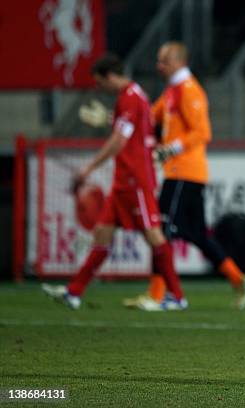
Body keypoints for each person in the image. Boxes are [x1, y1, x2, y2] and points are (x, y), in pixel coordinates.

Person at [42, 54, 187, 311]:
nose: (99, 88)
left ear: (110, 77)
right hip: (124, 180)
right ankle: (74, 292)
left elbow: (120, 140)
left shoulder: (130, 98)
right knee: (102, 233)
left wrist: (88, 168)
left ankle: (176, 296)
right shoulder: (132, 96)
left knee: (154, 235)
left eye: (100, 83)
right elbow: (134, 128)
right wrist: (110, 118)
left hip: (136, 179)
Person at [124, 42, 245, 310]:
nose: (159, 66)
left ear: (180, 62)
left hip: (183, 172)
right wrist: (115, 120)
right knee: (198, 235)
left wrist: (171, 148)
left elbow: (202, 132)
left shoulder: (189, 90)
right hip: (185, 173)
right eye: (159, 60)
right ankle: (238, 278)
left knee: (160, 230)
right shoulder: (172, 92)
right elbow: (148, 118)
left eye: (164, 61)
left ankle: (159, 294)